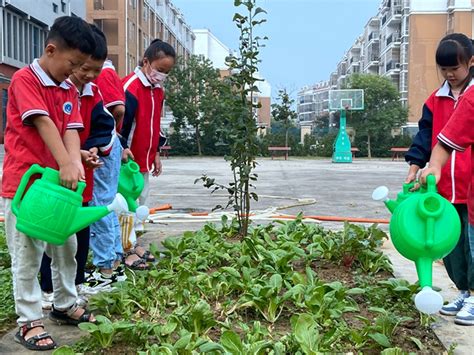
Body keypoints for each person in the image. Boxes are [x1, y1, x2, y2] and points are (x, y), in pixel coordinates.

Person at [1, 16, 96, 350]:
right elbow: (43, 122)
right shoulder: (25, 80)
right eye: (72, 63)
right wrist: (67, 163)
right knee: (27, 257)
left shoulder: (68, 87)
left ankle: (64, 304)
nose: (74, 71)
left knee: (66, 248)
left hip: (58, 188)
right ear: (51, 49)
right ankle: (28, 322)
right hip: (26, 187)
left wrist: (74, 164)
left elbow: (71, 128)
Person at [39, 24, 117, 308]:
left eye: (96, 70)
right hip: (56, 177)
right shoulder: (54, 89)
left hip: (81, 178)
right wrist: (68, 160)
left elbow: (102, 125)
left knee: (78, 234)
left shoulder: (91, 94)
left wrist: (92, 150)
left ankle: (75, 285)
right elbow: (49, 127)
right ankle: (48, 288)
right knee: (51, 234)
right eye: (82, 67)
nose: (89, 75)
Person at [405, 33, 474, 322]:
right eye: (443, 69)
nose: (449, 74)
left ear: (470, 63)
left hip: (469, 186)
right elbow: (425, 135)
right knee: (451, 248)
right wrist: (414, 165)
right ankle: (464, 293)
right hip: (443, 187)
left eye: (455, 68)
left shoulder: (471, 97)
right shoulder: (437, 99)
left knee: (472, 245)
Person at [120, 39, 176, 268]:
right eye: (160, 70)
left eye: (166, 72)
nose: (162, 75)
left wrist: (155, 152)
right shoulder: (131, 87)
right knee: (125, 205)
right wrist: (121, 149)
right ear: (146, 62)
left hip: (144, 159)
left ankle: (134, 243)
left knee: (141, 203)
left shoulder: (157, 90)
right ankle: (125, 249)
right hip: (127, 161)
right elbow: (119, 125)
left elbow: (153, 124)